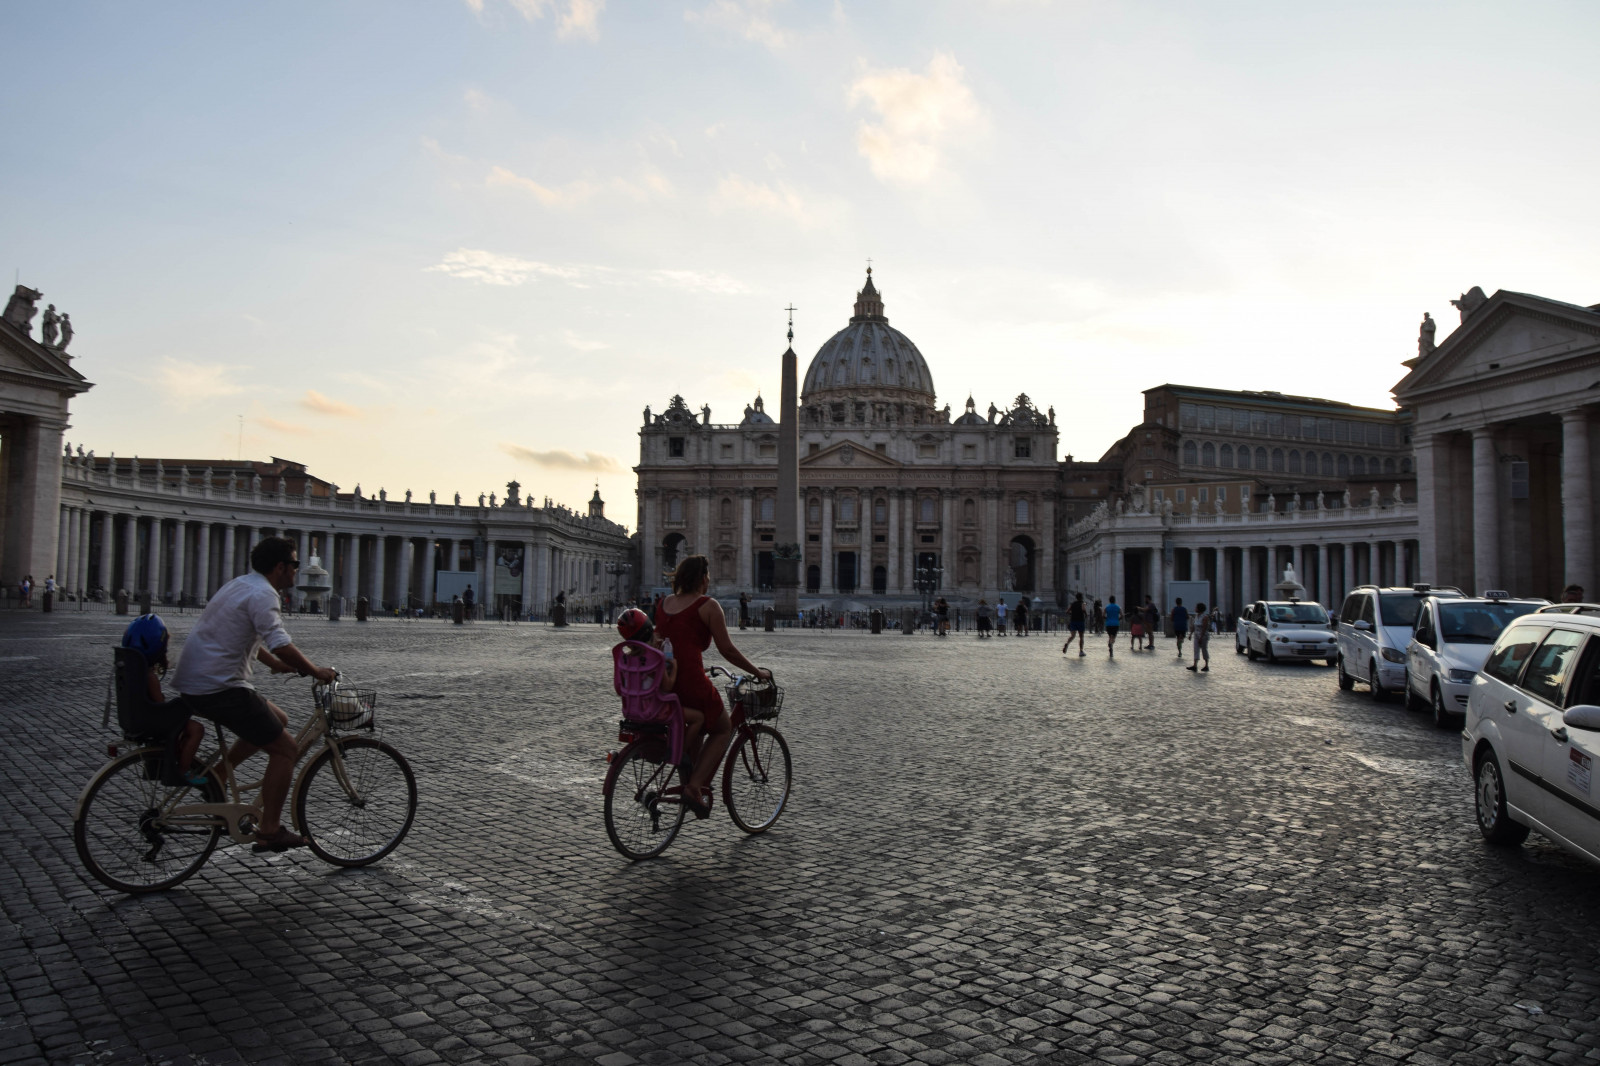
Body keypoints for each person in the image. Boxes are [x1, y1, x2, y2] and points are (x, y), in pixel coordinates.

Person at [171, 536, 336, 852]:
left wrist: (275, 665)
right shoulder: (263, 594)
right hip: (219, 687)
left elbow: (246, 635)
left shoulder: (240, 585)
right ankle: (270, 830)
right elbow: (279, 641)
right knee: (286, 749)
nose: (297, 571)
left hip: (197, 683)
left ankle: (217, 776)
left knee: (279, 719)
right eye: (295, 565)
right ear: (280, 567)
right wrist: (315, 670)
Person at [654, 555, 769, 819]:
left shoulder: (663, 604)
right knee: (723, 728)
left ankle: (689, 776)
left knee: (700, 723)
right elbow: (727, 649)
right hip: (691, 683)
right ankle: (694, 787)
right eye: (708, 577)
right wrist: (757, 672)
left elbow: (671, 643)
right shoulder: (708, 605)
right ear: (703, 578)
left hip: (667, 683)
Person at [122, 614, 206, 786]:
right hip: (154, 721)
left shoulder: (134, 670)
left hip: (141, 718)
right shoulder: (150, 676)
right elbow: (161, 705)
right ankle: (183, 770)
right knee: (197, 729)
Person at [1187, 602, 1211, 672]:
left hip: (1203, 636)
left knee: (1204, 650)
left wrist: (1201, 637)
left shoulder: (1205, 617)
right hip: (1196, 635)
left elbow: (1204, 627)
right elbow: (1194, 626)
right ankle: (1195, 665)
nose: (1195, 608)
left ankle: (1206, 665)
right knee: (1196, 649)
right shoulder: (1196, 616)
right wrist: (1190, 634)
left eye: (1196, 607)